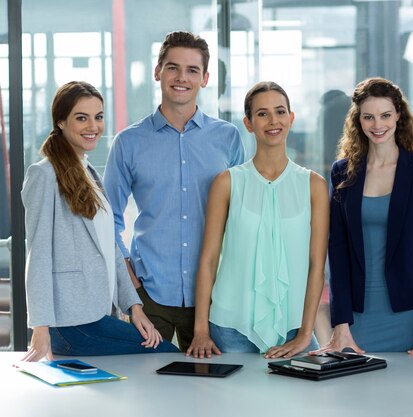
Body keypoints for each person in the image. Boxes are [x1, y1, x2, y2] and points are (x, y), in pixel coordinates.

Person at [104, 31, 245, 352]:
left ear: (205, 78)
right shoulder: (128, 142)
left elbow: (241, 213)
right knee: (147, 391)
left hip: (215, 296)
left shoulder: (228, 138)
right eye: (172, 67)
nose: (182, 78)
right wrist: (130, 278)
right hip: (150, 295)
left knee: (213, 395)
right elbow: (107, 219)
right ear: (158, 72)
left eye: (192, 70)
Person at [21, 81, 179, 362]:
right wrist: (40, 327)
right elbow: (39, 255)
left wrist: (135, 308)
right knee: (165, 353)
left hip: (97, 312)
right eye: (81, 118)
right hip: (70, 323)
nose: (92, 126)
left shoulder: (88, 171)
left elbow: (111, 249)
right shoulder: (44, 175)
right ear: (60, 121)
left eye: (99, 117)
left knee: (156, 357)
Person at [313, 77, 413, 356]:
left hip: (408, 314)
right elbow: (338, 251)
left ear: (398, 116)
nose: (377, 125)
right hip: (357, 315)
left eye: (385, 115)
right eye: (369, 117)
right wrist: (340, 322)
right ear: (358, 121)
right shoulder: (343, 172)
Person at [186, 81, 329, 359]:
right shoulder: (227, 182)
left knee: (300, 403)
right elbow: (208, 260)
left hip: (294, 328)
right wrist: (200, 329)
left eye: (280, 111)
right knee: (235, 403)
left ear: (291, 118)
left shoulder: (314, 185)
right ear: (248, 124)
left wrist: (304, 334)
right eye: (262, 114)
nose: (273, 120)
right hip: (229, 329)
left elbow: (316, 266)